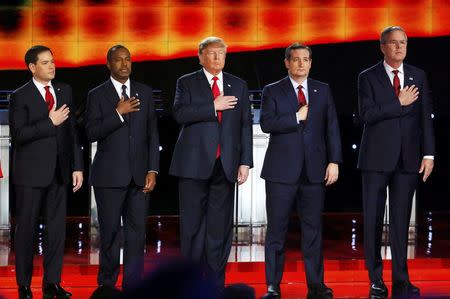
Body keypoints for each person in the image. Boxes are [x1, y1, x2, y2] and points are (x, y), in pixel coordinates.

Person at [260, 43, 342, 299]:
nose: (301, 64)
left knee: (313, 230)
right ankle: (273, 286)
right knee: (276, 232)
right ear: (287, 62)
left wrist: (334, 161)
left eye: (305, 59)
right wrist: (295, 118)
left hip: (314, 171)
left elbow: (331, 127)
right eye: (296, 59)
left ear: (310, 62)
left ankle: (316, 284)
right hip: (280, 172)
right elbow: (266, 123)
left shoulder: (322, 90)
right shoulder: (272, 90)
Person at [169, 36, 253, 289]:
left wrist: (245, 162)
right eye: (212, 53)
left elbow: (245, 125)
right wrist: (212, 105)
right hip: (193, 165)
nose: (217, 58)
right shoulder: (187, 82)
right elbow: (179, 114)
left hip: (225, 165)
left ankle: (215, 284)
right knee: (192, 228)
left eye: (222, 53)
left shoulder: (238, 85)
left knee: (219, 229)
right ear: (201, 56)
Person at [358, 26, 435, 299]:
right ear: (383, 46)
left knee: (402, 222)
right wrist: (398, 102)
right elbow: (367, 114)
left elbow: (425, 116)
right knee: (374, 221)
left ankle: (402, 279)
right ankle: (376, 279)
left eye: (403, 42)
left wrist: (429, 155)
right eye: (394, 43)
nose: (400, 47)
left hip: (408, 160)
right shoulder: (367, 77)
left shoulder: (418, 75)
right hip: (375, 160)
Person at [9, 45, 84, 299]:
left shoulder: (65, 90)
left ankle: (52, 284)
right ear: (32, 67)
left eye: (52, 61)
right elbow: (19, 136)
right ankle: (24, 286)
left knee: (56, 231)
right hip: (30, 175)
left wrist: (77, 166)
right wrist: (48, 123)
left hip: (60, 173)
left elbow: (72, 131)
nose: (52, 66)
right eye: (45, 62)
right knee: (26, 230)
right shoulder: (20, 96)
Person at [85, 45, 160, 291]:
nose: (124, 64)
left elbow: (152, 134)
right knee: (110, 235)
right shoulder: (97, 95)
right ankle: (107, 286)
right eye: (118, 60)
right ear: (109, 64)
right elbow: (91, 132)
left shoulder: (145, 92)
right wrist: (118, 113)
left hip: (139, 177)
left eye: (127, 59)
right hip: (108, 178)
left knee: (137, 236)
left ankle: (134, 286)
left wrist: (153, 169)